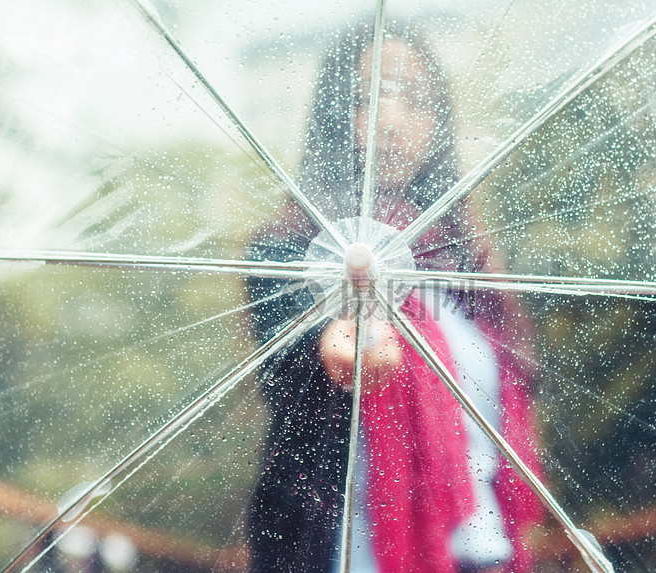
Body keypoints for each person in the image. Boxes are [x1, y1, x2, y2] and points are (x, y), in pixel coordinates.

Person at [245, 20, 543, 573]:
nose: (395, 121)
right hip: (348, 551)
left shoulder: (464, 264)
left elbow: (508, 399)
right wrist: (334, 333)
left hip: (479, 552)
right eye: (371, 97)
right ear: (336, 112)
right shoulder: (294, 250)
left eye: (418, 102)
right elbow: (290, 354)